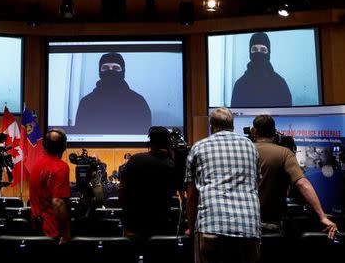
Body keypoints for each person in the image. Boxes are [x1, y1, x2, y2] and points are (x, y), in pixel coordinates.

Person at [185, 107, 260, 263]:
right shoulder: (251, 147)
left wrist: (191, 229)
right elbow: (256, 184)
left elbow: (191, 195)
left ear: (211, 127)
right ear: (232, 126)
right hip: (247, 226)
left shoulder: (198, 147)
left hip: (211, 224)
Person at [252, 114, 337, 239]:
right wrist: (322, 216)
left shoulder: (245, 151)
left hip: (246, 223)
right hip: (272, 224)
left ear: (254, 131)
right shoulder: (284, 153)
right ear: (273, 132)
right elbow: (302, 183)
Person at [119, 126, 175, 246]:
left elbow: (121, 189)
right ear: (168, 142)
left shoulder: (135, 160)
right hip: (162, 225)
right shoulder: (171, 164)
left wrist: (126, 216)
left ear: (150, 142)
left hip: (134, 224)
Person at [74, 52, 151, 134]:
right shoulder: (86, 102)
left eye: (115, 68)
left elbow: (145, 134)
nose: (110, 71)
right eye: (105, 68)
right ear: (99, 72)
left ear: (123, 71)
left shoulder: (138, 102)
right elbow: (80, 132)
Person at [29, 128, 71, 244]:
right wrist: (66, 234)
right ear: (64, 146)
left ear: (44, 145)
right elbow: (58, 202)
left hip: (36, 228)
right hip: (53, 231)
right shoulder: (61, 167)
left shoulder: (36, 165)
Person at [230, 32, 292, 107]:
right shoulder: (239, 85)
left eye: (263, 50)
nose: (258, 53)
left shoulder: (280, 84)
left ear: (269, 53)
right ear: (250, 53)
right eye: (255, 49)